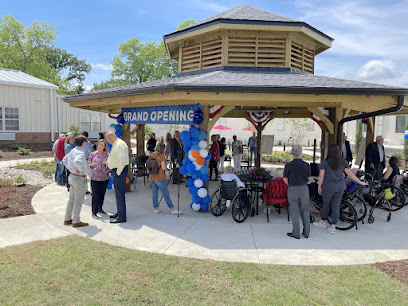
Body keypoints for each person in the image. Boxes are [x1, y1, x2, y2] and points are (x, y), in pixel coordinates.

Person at [314, 145, 367, 234]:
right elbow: (350, 174)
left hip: (328, 186)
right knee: (336, 206)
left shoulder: (325, 161)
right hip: (340, 187)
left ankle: (323, 222)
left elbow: (321, 176)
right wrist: (360, 182)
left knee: (326, 205)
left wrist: (319, 186)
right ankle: (333, 227)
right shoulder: (343, 162)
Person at [283, 145, 311, 239]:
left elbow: (285, 179)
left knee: (294, 211)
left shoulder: (288, 165)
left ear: (292, 153)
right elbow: (308, 178)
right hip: (303, 188)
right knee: (305, 210)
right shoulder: (306, 165)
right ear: (301, 152)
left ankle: (296, 233)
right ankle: (306, 232)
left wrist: (290, 185)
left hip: (292, 188)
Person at [62, 135, 89, 228]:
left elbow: (64, 160)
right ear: (83, 143)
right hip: (79, 178)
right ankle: (76, 221)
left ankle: (67, 218)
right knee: (78, 200)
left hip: (72, 177)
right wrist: (79, 169)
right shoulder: (81, 153)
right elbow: (77, 162)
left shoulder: (73, 150)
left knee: (71, 199)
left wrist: (72, 169)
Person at [149, 142, 182, 215]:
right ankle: (172, 208)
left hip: (151, 177)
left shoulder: (151, 155)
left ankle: (156, 208)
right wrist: (166, 165)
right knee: (166, 193)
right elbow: (163, 168)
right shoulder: (161, 156)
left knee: (154, 193)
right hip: (159, 177)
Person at [106, 132, 129, 224]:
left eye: (108, 140)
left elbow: (122, 161)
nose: (108, 142)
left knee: (119, 194)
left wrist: (118, 173)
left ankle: (122, 216)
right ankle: (120, 212)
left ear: (111, 138)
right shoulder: (117, 143)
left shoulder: (120, 144)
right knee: (118, 194)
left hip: (119, 171)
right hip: (116, 171)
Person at [88, 139, 110, 219]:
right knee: (95, 195)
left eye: (101, 145)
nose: (99, 146)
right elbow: (88, 164)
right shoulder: (93, 154)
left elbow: (111, 165)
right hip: (95, 177)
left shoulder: (107, 155)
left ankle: (100, 209)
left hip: (104, 177)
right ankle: (94, 212)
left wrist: (107, 164)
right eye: (98, 144)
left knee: (102, 194)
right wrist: (91, 165)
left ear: (104, 147)